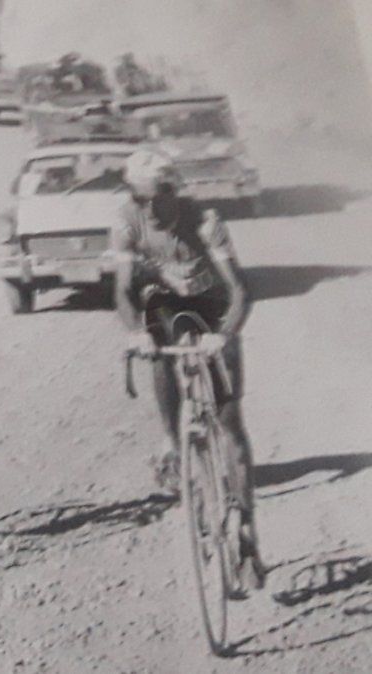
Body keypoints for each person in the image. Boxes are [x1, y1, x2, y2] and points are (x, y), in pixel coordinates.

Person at [112, 149, 267, 595]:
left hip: (213, 301)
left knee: (229, 421)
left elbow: (240, 290)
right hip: (169, 302)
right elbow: (122, 291)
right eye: (138, 199)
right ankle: (170, 436)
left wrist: (225, 333)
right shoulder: (125, 221)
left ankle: (246, 527)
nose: (147, 209)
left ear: (172, 193)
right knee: (156, 336)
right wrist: (133, 333)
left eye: (154, 199)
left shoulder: (205, 220)